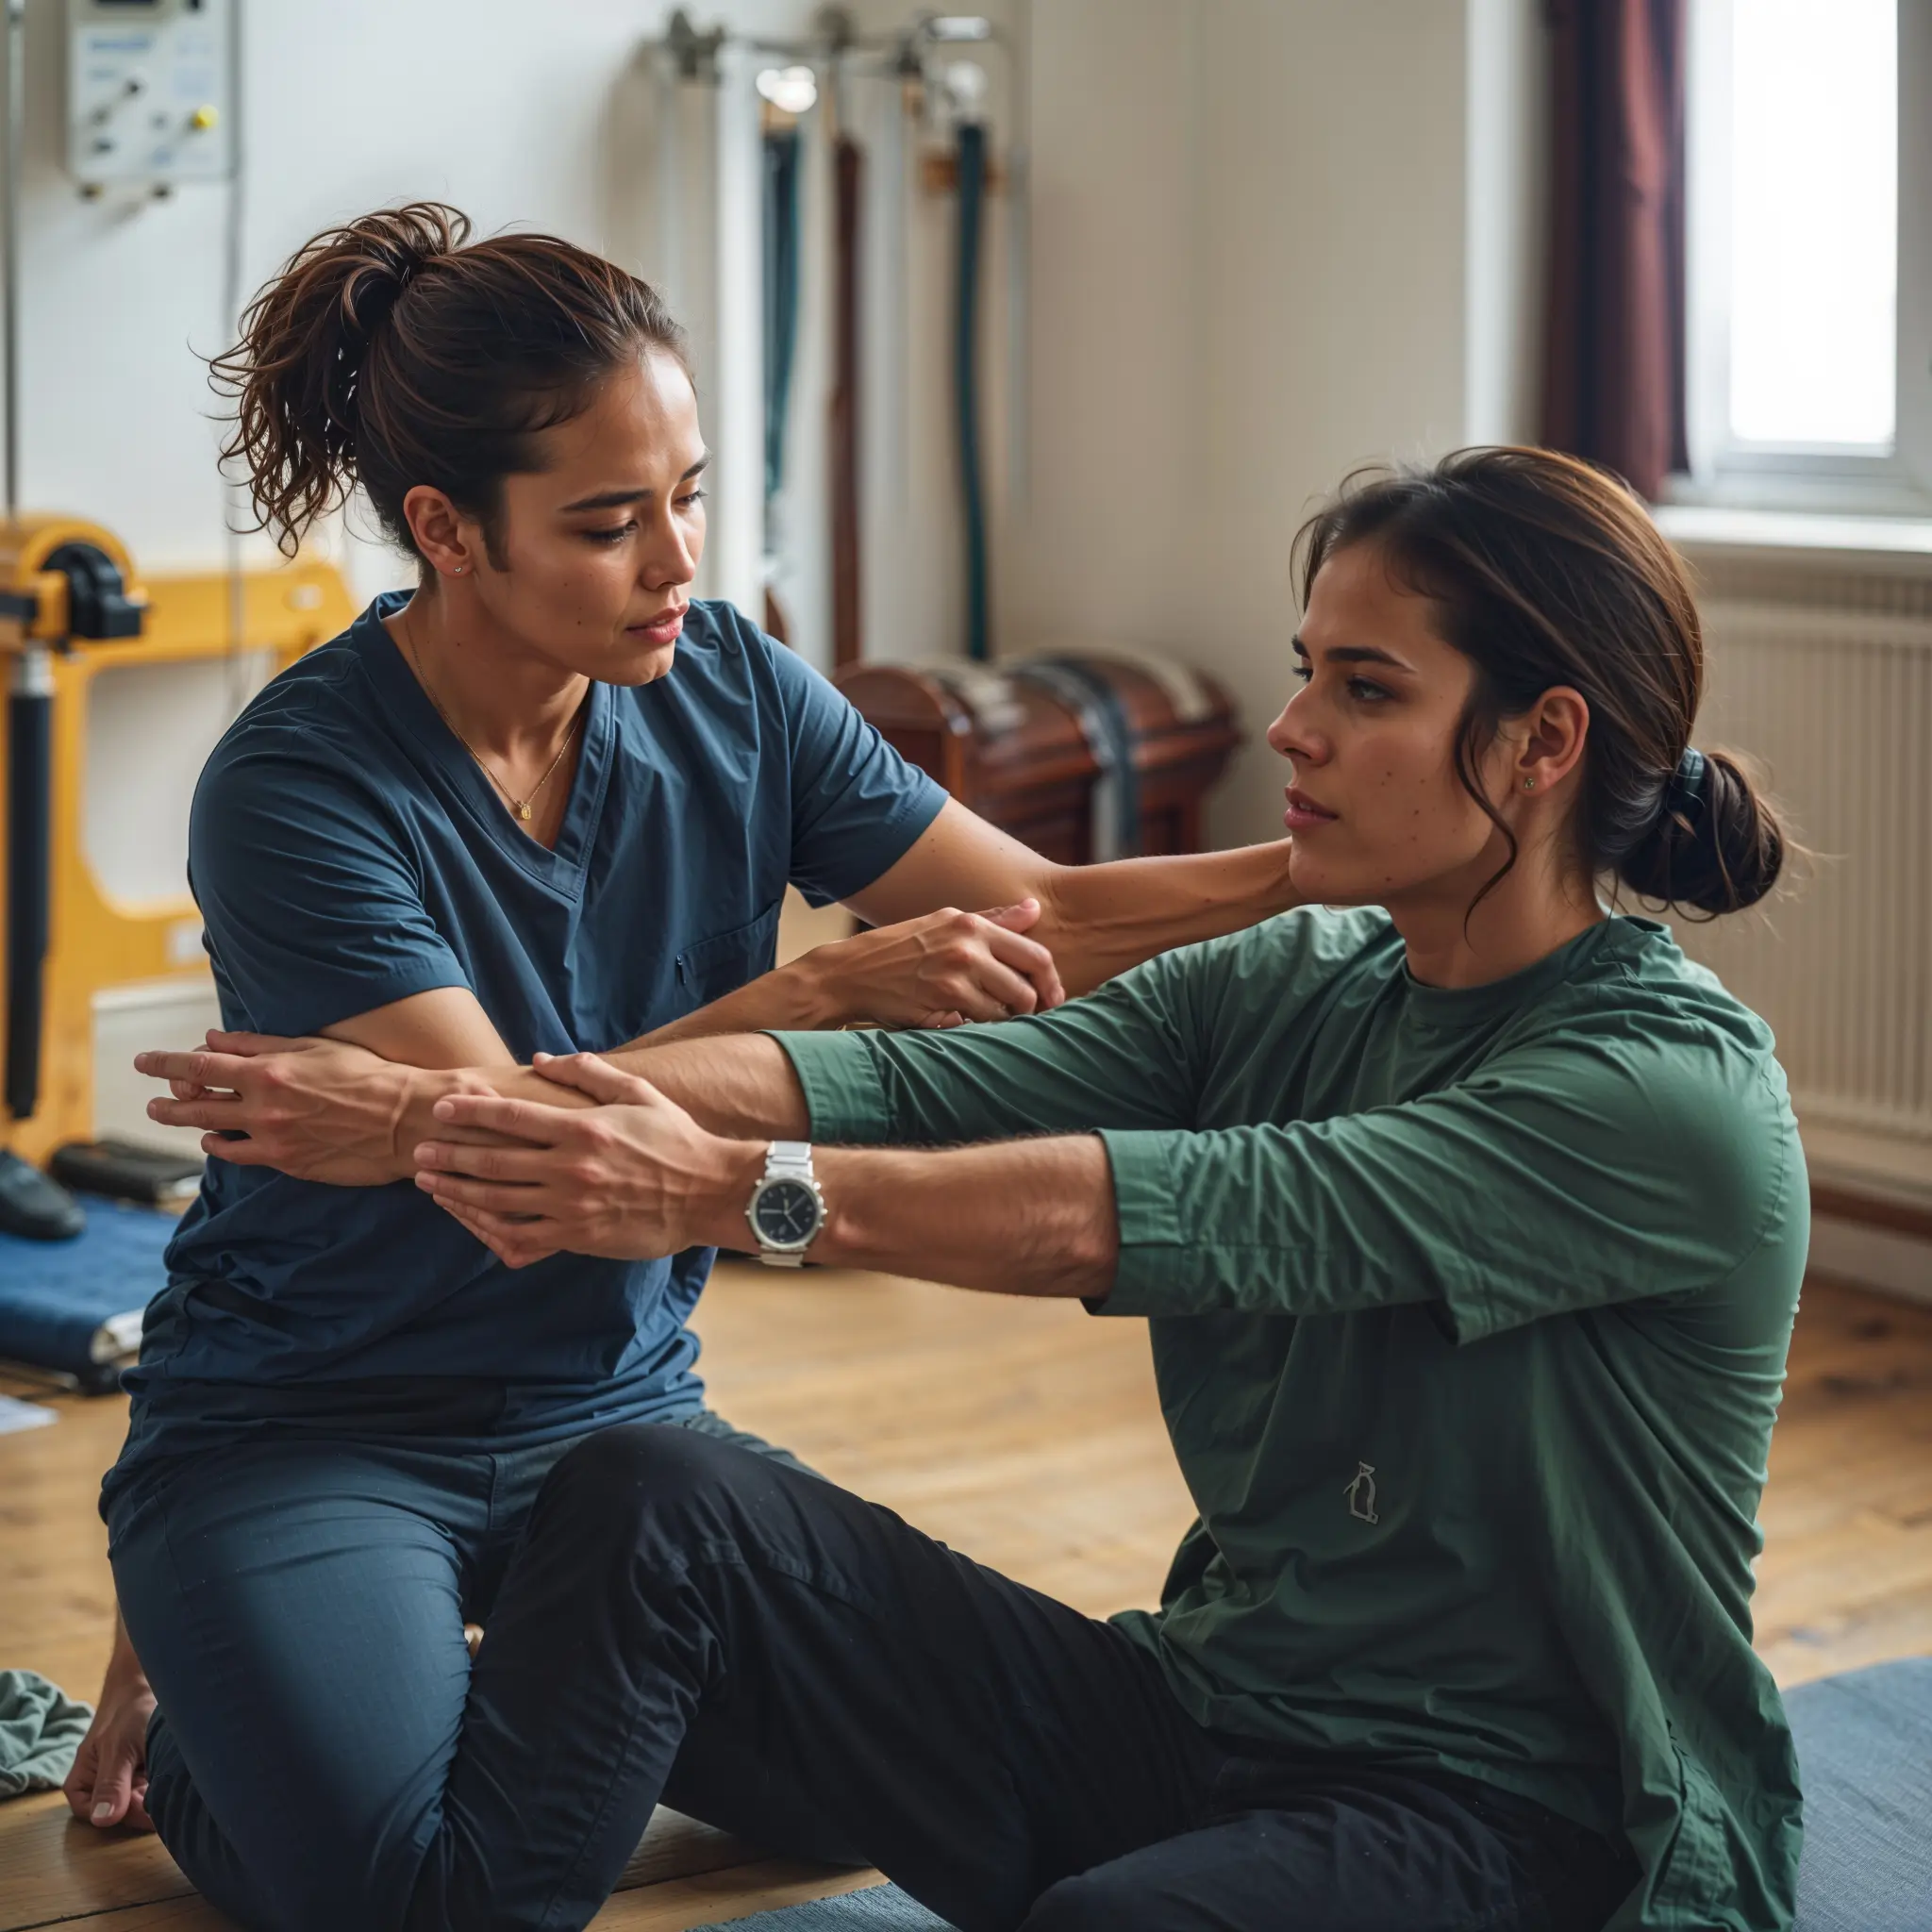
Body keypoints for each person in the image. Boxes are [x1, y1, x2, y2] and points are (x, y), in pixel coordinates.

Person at [156, 447, 1806, 1932]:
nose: (1294, 727)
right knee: (658, 1499)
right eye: (1308, 671)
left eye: (1365, 692)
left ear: (1543, 742)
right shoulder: (1289, 982)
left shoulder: (1662, 1097)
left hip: (1523, 1816)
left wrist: (724, 1192)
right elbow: (887, 1085)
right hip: (1200, 1718)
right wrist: (461, 1113)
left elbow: (1178, 1209)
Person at [66, 202, 1304, 1913]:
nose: (676, 561)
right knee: (429, 1896)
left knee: (892, 1801)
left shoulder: (731, 686)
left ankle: (342, 1671)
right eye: (607, 521)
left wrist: (1336, 862)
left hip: (620, 1426)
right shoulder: (299, 788)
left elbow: (1046, 920)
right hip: (315, 1424)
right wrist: (818, 998)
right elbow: (514, 1161)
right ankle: (226, 1699)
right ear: (450, 529)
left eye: (691, 494)